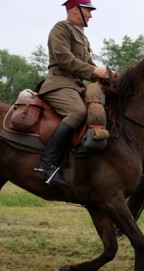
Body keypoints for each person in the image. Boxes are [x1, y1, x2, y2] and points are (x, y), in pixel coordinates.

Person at [35, 0, 115, 189]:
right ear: (74, 10)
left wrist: (107, 74)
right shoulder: (61, 28)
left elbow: (89, 65)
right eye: (88, 10)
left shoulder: (83, 37)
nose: (91, 15)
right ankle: (47, 165)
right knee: (78, 111)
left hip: (76, 86)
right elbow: (64, 59)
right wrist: (95, 71)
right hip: (59, 83)